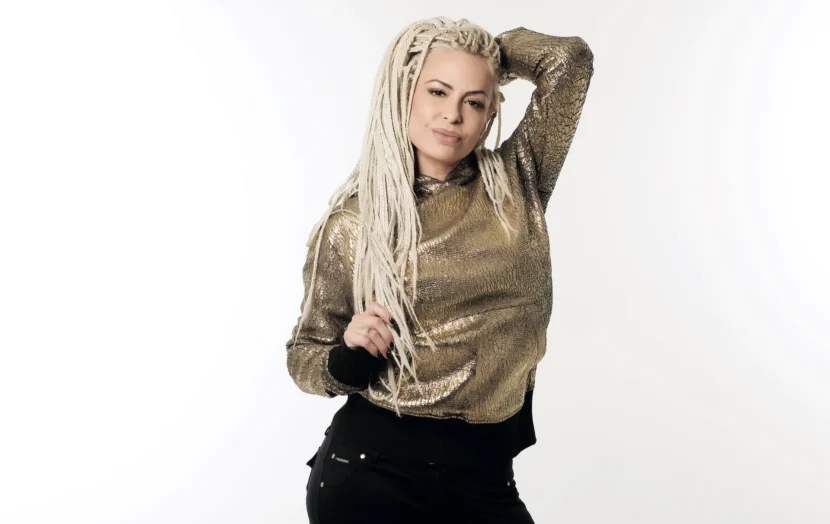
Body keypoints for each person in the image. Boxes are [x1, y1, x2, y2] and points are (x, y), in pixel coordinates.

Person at [286, 16, 594, 524]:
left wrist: (488, 54)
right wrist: (347, 358)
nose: (453, 115)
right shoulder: (355, 222)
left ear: (490, 113)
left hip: (487, 479)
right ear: (402, 92)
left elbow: (570, 61)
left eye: (474, 102)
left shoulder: (517, 182)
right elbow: (304, 356)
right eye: (437, 91)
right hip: (373, 477)